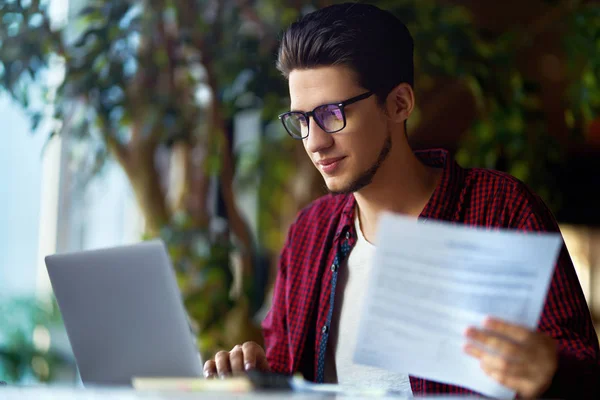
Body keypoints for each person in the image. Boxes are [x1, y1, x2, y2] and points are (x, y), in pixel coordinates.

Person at [203, 3, 600, 398]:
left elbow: (583, 371)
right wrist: (256, 375)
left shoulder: (500, 209)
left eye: (331, 114)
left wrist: (550, 373)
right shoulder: (310, 231)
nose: (315, 142)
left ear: (399, 103)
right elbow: (287, 373)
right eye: (301, 120)